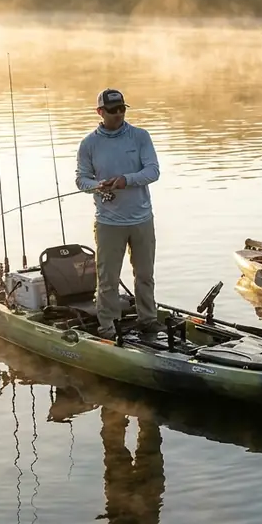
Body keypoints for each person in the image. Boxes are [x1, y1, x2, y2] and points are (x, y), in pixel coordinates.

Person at [75, 88, 161, 340]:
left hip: (142, 219)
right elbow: (81, 180)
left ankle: (149, 320)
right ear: (100, 112)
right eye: (112, 110)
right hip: (108, 222)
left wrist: (126, 180)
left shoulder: (140, 137)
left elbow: (153, 171)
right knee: (108, 279)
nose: (118, 114)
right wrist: (97, 185)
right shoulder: (89, 143)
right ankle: (107, 326)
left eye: (122, 108)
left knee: (145, 275)